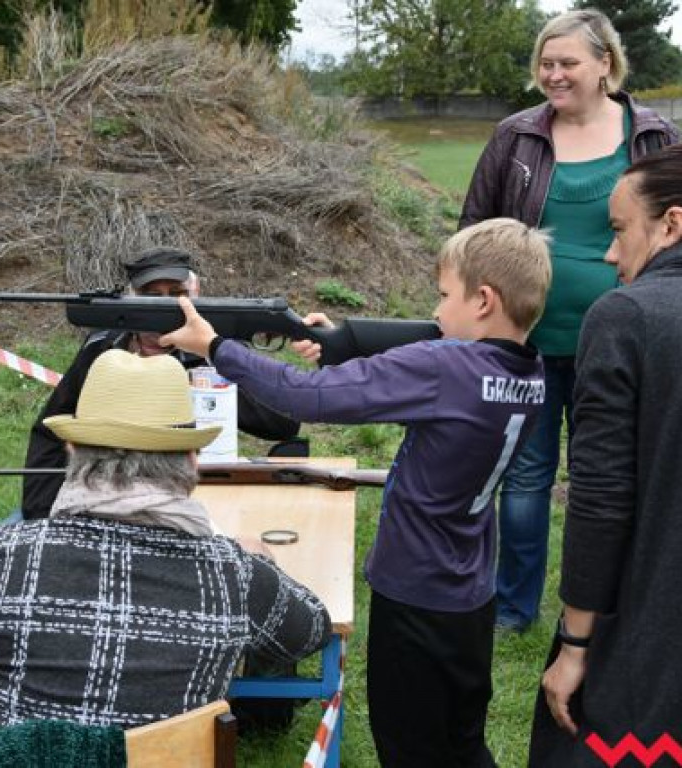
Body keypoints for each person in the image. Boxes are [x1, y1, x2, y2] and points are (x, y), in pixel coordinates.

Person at [163, 218, 552, 767]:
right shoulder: (530, 372)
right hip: (470, 592)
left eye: (443, 296)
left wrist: (217, 347)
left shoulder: (444, 368)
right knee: (460, 742)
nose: (436, 312)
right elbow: (438, 365)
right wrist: (342, 344)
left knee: (408, 746)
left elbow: (307, 398)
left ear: (484, 300)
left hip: (414, 593)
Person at [0, 349, 331, 733]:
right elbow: (311, 631)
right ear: (192, 460)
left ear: (70, 451)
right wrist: (262, 562)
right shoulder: (234, 572)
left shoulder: (4, 554)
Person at [460, 9, 680, 633]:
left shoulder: (655, 136)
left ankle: (603, 608)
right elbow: (475, 227)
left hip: (626, 342)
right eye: (545, 64)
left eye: (568, 63)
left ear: (606, 63)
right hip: (527, 338)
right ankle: (513, 609)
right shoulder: (516, 137)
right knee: (526, 477)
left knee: (604, 476)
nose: (553, 75)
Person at [528, 145, 682, 765]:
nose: (611, 254)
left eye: (619, 231)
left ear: (672, 224)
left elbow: (599, 501)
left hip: (653, 647)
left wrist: (574, 646)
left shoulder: (628, 317)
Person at [20, 246, 300, 521]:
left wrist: (212, 361)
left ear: (196, 294)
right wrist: (40, 518)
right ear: (130, 299)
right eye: (151, 296)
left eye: (178, 295)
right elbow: (50, 429)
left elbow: (283, 423)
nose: (166, 306)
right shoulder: (104, 348)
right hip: (107, 497)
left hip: (196, 498)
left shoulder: (220, 350)